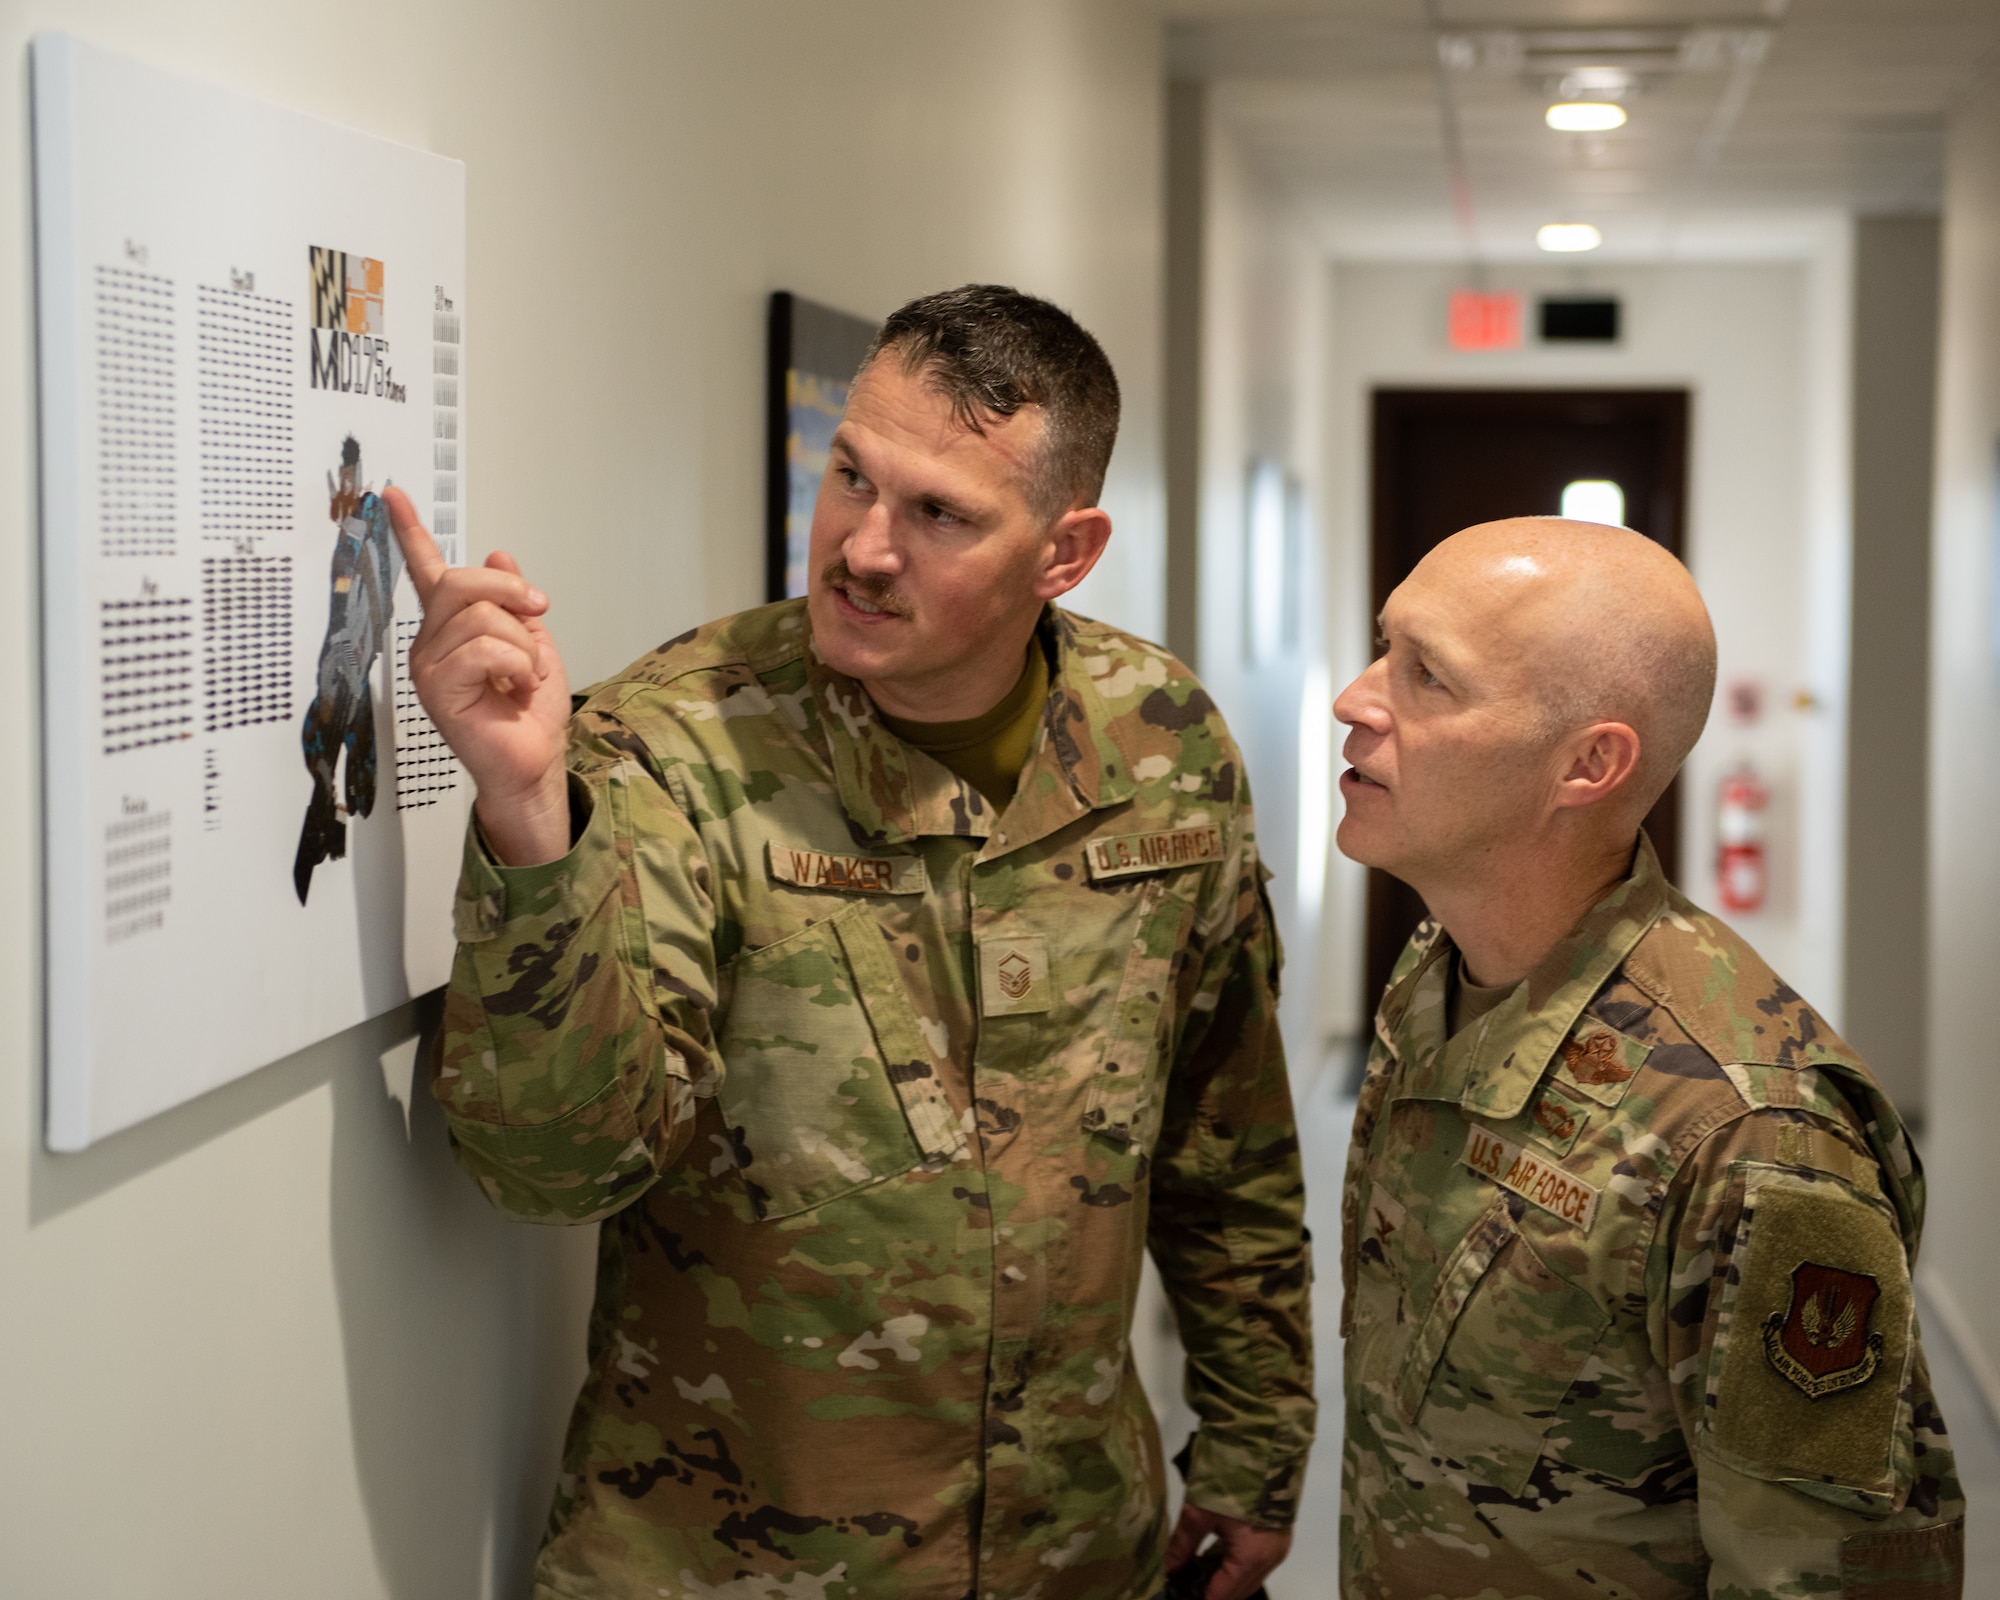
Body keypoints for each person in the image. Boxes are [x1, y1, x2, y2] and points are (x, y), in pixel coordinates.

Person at [389, 285, 1314, 1600]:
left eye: (938, 513)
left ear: (1067, 549)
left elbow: (1227, 1137)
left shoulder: (1162, 741)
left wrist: (1259, 1444)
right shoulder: (680, 743)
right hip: (732, 1564)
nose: (862, 548)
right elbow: (558, 1172)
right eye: (851, 477)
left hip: (1075, 1549)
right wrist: (532, 813)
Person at [1332, 517, 1965, 1597]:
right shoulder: (1442, 966)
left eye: (1426, 675)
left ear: (1588, 763)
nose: (1354, 695)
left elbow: (1821, 1574)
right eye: (1383, 644)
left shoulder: (1749, 1132)